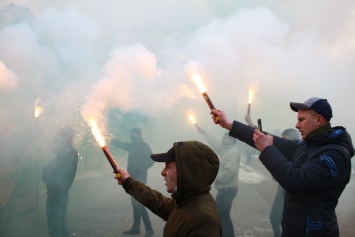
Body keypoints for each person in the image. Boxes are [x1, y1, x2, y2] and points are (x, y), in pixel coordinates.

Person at [210, 97, 354, 237]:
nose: (297, 125)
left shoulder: (336, 154)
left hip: (313, 232)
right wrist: (228, 124)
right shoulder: (307, 146)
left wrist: (267, 149)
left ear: (319, 120)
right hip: (294, 228)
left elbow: (296, 181)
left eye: (302, 120)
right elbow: (270, 140)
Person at [115, 141, 222, 237]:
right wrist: (128, 181)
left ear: (186, 171)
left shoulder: (203, 221)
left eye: (168, 167)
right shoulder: (188, 201)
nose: (162, 172)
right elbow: (158, 202)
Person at [195, 124, 240, 237]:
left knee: (218, 216)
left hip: (227, 190)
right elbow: (215, 142)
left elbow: (229, 172)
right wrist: (204, 132)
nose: (222, 139)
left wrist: (215, 178)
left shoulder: (232, 153)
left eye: (225, 138)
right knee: (224, 215)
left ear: (232, 141)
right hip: (227, 189)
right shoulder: (226, 149)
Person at [111, 127, 154, 236]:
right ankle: (136, 228)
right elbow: (121, 144)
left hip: (140, 178)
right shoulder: (133, 145)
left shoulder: (144, 146)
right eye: (131, 134)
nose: (131, 136)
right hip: (131, 177)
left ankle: (150, 229)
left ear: (139, 134)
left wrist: (142, 168)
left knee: (139, 203)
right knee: (134, 203)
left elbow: (151, 160)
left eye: (133, 134)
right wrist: (111, 139)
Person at [41, 127, 78, 237]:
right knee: (62, 226)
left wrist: (41, 133)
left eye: (62, 135)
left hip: (57, 192)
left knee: (54, 229)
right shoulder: (68, 152)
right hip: (61, 192)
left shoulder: (68, 152)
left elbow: (55, 148)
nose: (59, 138)